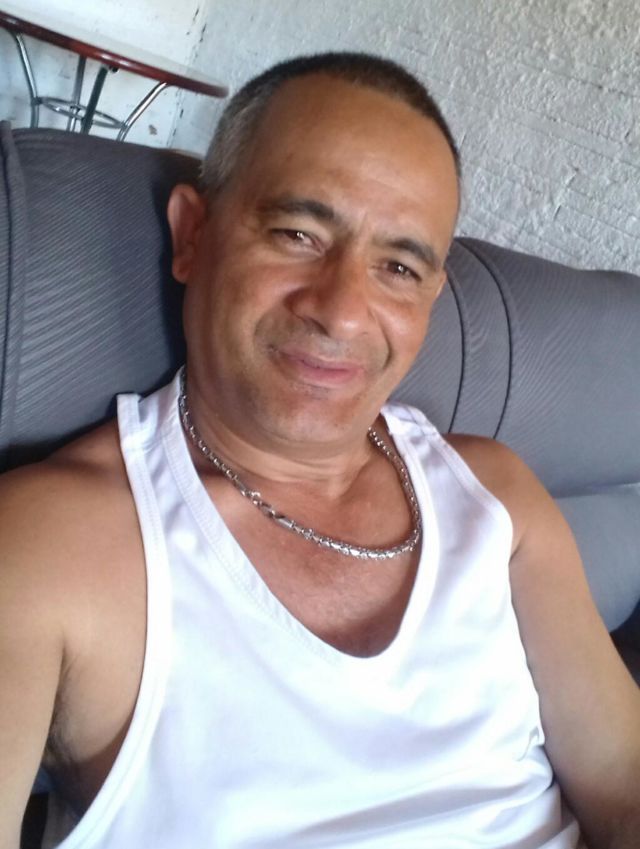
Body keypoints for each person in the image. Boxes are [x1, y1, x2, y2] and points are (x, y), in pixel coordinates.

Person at [1, 52, 639, 849]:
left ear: (430, 298)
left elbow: (623, 779)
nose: (341, 311)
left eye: (398, 267)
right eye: (298, 234)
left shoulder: (496, 493)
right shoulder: (53, 543)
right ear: (193, 235)